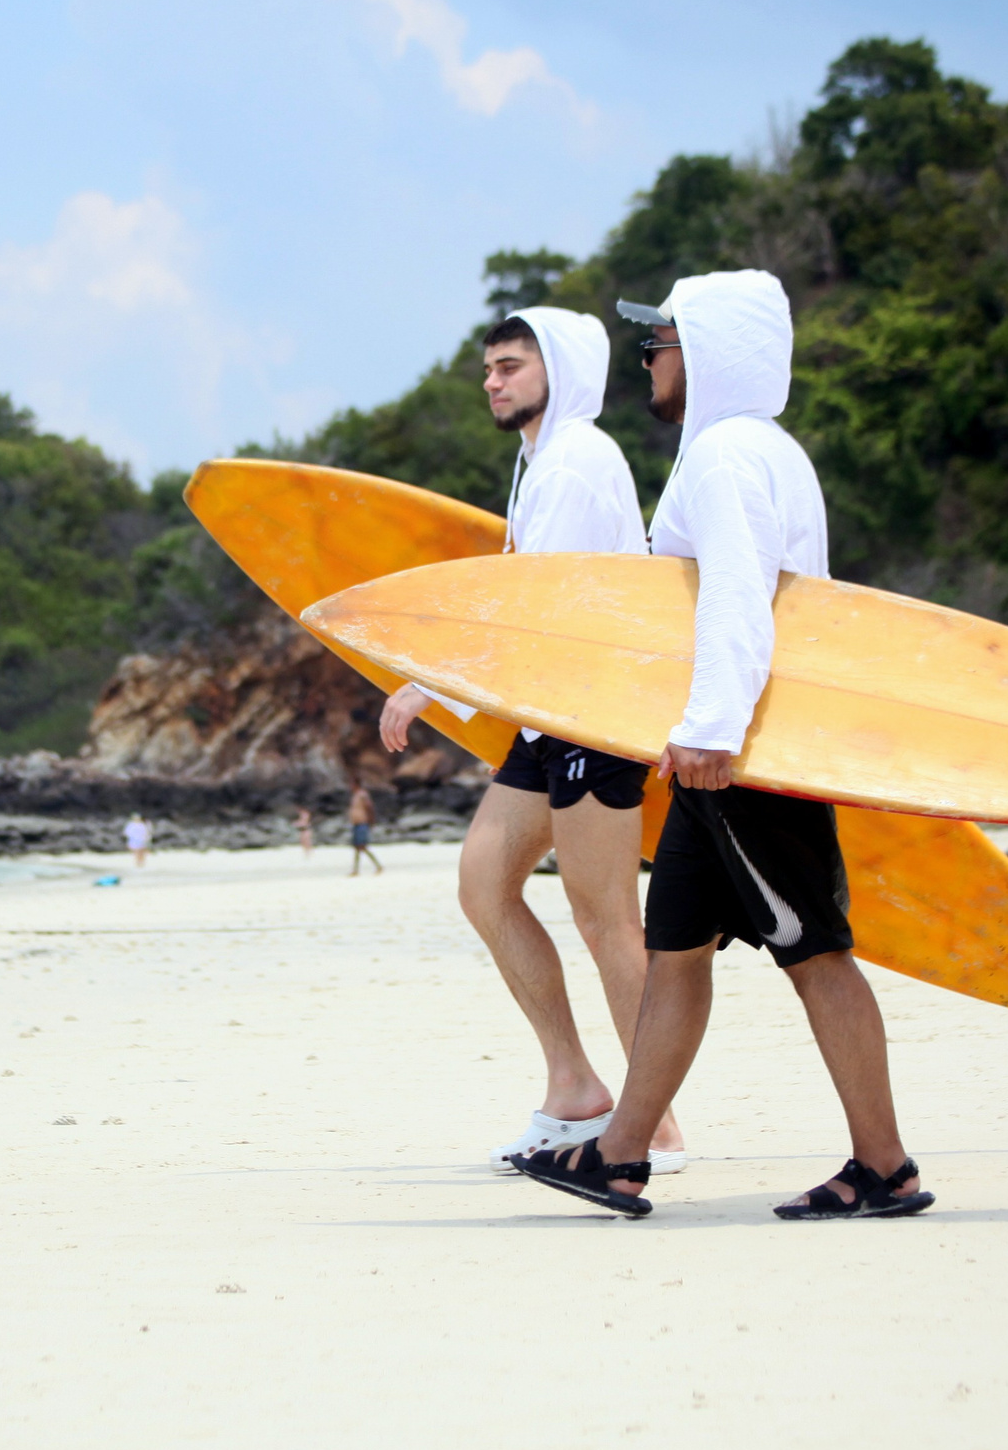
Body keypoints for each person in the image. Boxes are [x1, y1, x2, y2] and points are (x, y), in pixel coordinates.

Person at [512, 271, 932, 1222]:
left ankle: (886, 1166)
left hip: (741, 757)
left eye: (661, 342)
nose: (651, 360)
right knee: (676, 952)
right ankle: (619, 1157)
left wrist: (709, 731)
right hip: (717, 754)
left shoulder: (731, 457)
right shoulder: (742, 450)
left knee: (815, 949)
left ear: (702, 352)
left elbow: (742, 598)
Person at [373, 306, 681, 1174]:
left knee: (607, 919)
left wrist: (429, 684)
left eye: (510, 365)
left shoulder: (578, 462)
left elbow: (534, 614)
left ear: (561, 369)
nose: (493, 380)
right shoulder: (539, 460)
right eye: (489, 369)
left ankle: (657, 1125)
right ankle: (576, 1086)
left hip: (594, 717)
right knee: (484, 880)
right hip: (547, 718)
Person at [345, 777, 382, 877]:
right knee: (357, 847)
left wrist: (371, 821)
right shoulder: (355, 795)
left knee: (362, 846)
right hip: (356, 824)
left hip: (362, 823)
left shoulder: (362, 795)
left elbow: (369, 807)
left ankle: (378, 866)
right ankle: (356, 869)